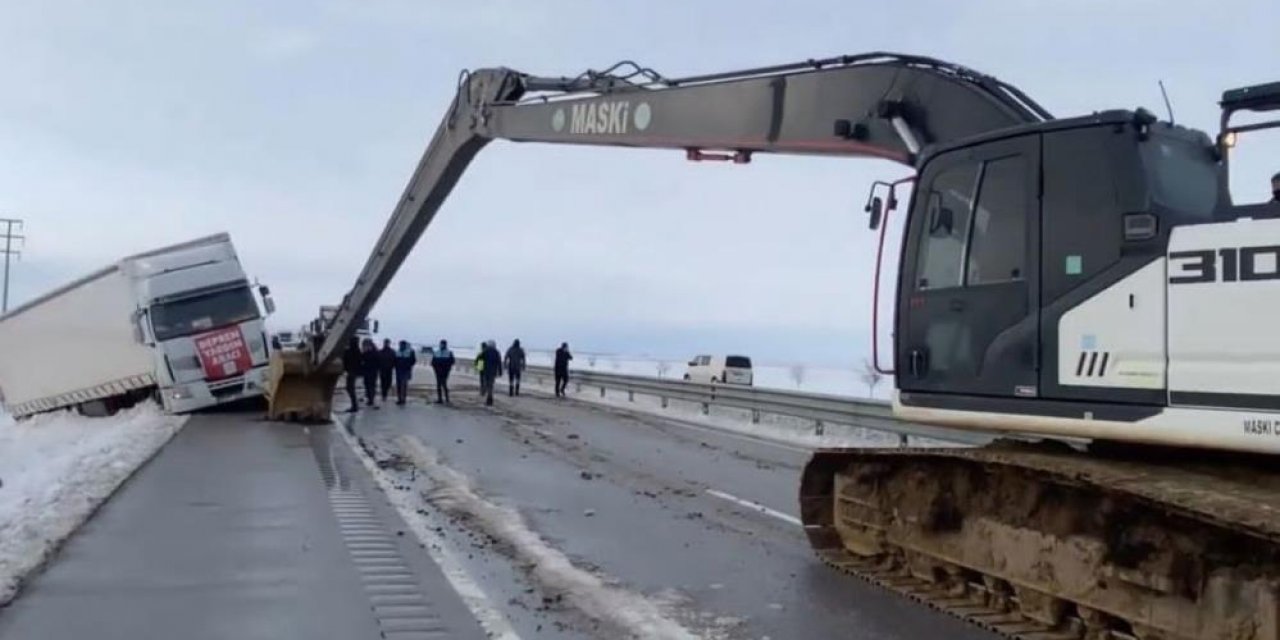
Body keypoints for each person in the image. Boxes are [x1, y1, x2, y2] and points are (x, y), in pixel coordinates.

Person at [430, 340, 455, 404]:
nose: (441, 345)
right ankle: (440, 399)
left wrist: (447, 368)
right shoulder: (436, 352)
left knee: (444, 384)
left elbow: (452, 362)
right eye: (441, 344)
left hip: (445, 372)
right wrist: (435, 368)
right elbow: (433, 362)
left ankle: (447, 398)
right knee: (439, 385)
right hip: (438, 371)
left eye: (443, 344)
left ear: (445, 345)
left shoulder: (449, 352)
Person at [341, 336, 362, 412]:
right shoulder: (358, 351)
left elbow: (345, 360)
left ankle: (354, 406)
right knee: (350, 388)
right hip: (354, 371)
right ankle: (354, 405)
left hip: (351, 371)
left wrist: (344, 369)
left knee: (350, 388)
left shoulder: (348, 351)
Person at [393, 340, 417, 406]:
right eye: (400, 345)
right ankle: (399, 399)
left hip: (405, 370)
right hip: (398, 370)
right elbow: (394, 360)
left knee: (403, 385)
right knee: (399, 385)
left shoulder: (410, 352)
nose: (400, 346)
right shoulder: (397, 352)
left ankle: (403, 399)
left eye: (401, 345)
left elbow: (413, 360)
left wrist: (408, 365)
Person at [481, 340, 503, 406]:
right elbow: (499, 362)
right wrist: (500, 371)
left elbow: (481, 360)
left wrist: (480, 369)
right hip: (493, 371)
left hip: (486, 370)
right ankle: (489, 398)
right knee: (491, 385)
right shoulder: (497, 352)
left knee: (486, 383)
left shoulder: (485, 351)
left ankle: (487, 396)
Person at [361, 338, 380, 408]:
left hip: (371, 371)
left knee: (370, 385)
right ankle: (370, 398)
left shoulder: (373, 353)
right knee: (368, 385)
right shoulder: (373, 352)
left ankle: (371, 399)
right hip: (369, 371)